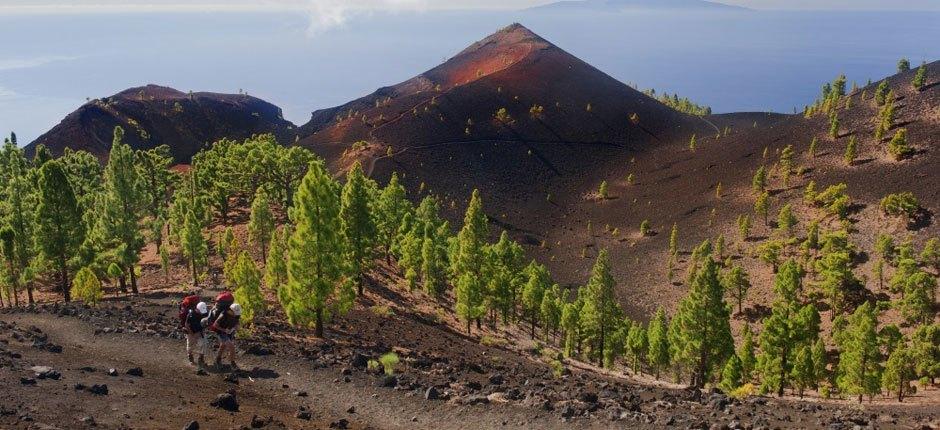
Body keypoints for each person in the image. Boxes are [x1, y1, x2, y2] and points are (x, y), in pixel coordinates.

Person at [211, 302, 241, 370]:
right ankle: (232, 363)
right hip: (222, 332)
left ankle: (218, 359)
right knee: (231, 347)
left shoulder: (236, 315)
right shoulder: (223, 315)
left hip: (230, 332)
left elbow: (237, 323)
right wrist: (224, 330)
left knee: (223, 345)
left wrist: (236, 327)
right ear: (231, 310)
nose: (236, 315)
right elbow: (215, 325)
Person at [183, 301, 208, 367]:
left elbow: (206, 324)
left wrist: (201, 331)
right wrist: (193, 334)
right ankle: (190, 358)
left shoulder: (205, 313)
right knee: (190, 346)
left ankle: (201, 359)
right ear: (197, 309)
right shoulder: (191, 315)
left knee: (203, 344)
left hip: (199, 332)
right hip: (190, 332)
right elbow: (187, 325)